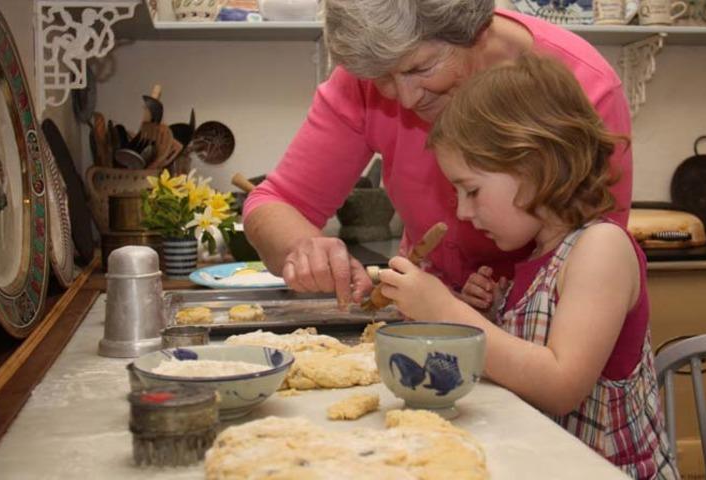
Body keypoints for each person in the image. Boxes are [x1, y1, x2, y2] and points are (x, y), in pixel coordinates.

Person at [377, 54, 678, 479]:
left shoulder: (601, 249)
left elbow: (560, 387)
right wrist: (485, 313)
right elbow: (521, 363)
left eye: (472, 190)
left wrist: (446, 310)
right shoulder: (535, 259)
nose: (462, 212)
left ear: (534, 164)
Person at [243, 0, 633, 306]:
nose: (406, 97)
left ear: (476, 31)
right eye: (383, 79)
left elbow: (595, 272)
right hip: (430, 326)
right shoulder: (367, 75)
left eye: (420, 67)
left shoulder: (585, 88)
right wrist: (303, 248)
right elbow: (274, 202)